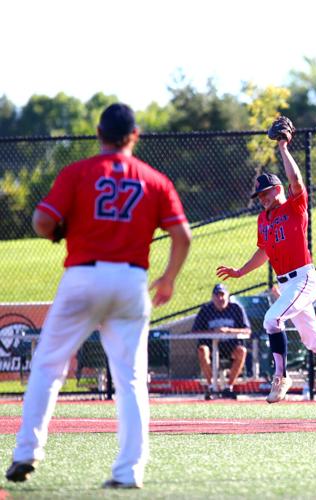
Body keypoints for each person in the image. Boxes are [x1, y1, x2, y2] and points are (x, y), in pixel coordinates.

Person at [6, 103, 191, 489]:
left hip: (83, 278)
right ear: (134, 135)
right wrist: (170, 278)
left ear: (98, 132)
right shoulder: (155, 179)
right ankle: (128, 472)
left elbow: (42, 220)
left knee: (47, 365)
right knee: (131, 380)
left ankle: (27, 452)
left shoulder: (78, 172)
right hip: (131, 282)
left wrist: (58, 231)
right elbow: (182, 235)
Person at [216, 116, 316, 419]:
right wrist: (241, 272)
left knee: (271, 319)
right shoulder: (263, 219)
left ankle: (281, 377)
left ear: (277, 190)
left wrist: (283, 148)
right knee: (313, 339)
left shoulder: (293, 206)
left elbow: (297, 182)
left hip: (305, 279)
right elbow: (264, 251)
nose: (262, 199)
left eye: (265, 193)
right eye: (259, 196)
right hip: (287, 283)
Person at [193, 283, 250, 400]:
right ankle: (211, 387)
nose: (220, 298)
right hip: (210, 346)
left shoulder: (236, 309)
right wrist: (213, 332)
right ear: (212, 297)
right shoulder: (205, 310)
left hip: (231, 346)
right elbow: (195, 331)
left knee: (242, 351)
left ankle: (228, 387)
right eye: (217, 295)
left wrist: (228, 330)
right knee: (202, 350)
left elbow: (247, 331)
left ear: (228, 296)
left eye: (222, 295)